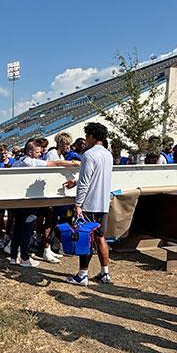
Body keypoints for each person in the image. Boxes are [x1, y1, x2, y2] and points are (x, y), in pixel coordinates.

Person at [7, 139, 79, 266]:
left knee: (18, 228)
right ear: (30, 152)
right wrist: (73, 163)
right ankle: (25, 258)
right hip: (28, 202)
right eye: (38, 152)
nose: (40, 154)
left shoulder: (17, 162)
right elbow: (55, 163)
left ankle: (14, 257)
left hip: (18, 202)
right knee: (27, 230)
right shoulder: (30, 162)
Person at [64, 122, 114, 285]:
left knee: (86, 239)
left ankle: (82, 275)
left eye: (86, 136)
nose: (85, 139)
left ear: (92, 136)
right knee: (101, 238)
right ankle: (105, 273)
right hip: (103, 203)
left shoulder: (89, 155)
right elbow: (95, 176)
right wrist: (76, 181)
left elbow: (86, 181)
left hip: (90, 204)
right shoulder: (108, 154)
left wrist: (78, 204)